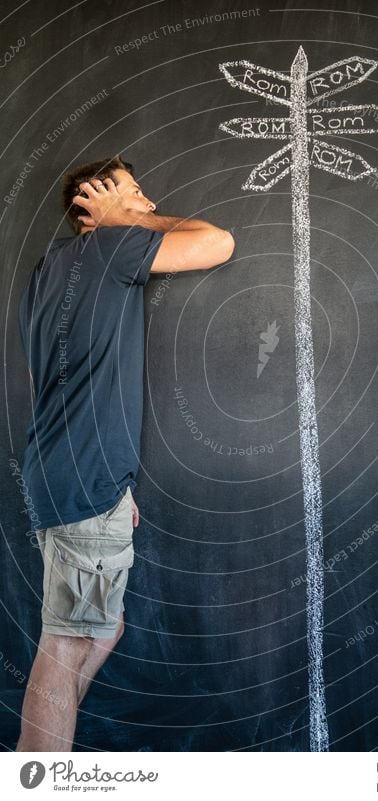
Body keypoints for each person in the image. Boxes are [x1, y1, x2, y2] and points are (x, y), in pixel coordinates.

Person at [16, 155, 235, 751]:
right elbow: (218, 242)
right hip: (85, 478)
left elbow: (46, 382)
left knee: (100, 630)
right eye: (132, 191)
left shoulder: (48, 268)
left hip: (72, 473)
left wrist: (113, 477)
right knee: (65, 643)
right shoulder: (112, 250)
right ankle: (36, 778)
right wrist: (125, 221)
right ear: (95, 200)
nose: (146, 199)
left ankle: (40, 742)